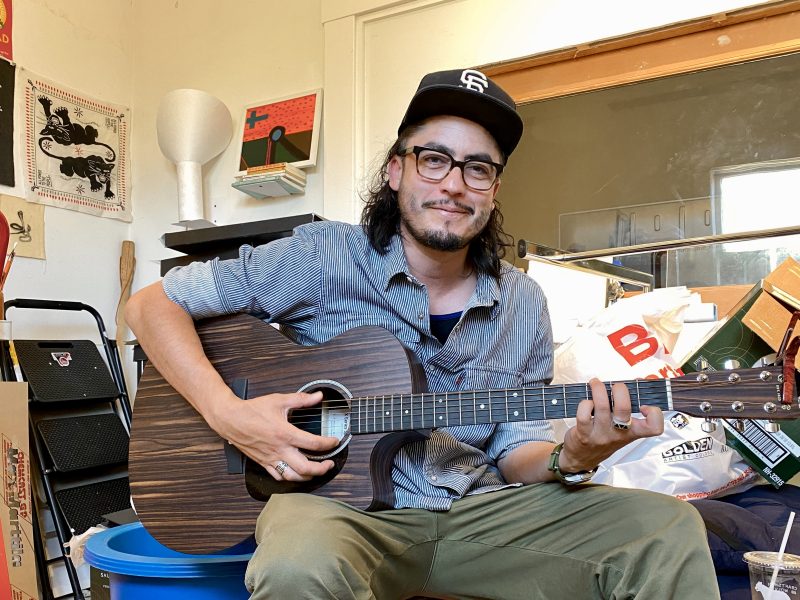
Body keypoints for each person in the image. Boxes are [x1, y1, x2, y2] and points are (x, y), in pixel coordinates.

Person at [126, 68, 720, 599]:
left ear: (493, 190)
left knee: (665, 528)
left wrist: (575, 454)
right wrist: (230, 415)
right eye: (433, 159)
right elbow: (151, 306)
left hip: (479, 513)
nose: (454, 184)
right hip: (338, 513)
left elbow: (517, 456)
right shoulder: (328, 254)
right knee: (297, 563)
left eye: (478, 169)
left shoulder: (522, 301)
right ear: (395, 170)